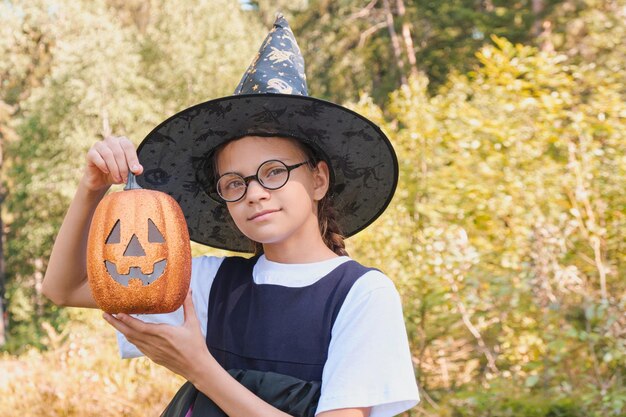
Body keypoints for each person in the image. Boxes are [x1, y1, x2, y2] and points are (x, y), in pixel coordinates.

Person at [42, 15, 419, 417]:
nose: (254, 193)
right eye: (234, 183)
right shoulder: (208, 283)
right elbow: (63, 289)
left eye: (274, 172)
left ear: (318, 179)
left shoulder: (362, 295)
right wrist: (91, 188)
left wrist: (199, 369)